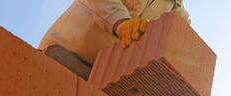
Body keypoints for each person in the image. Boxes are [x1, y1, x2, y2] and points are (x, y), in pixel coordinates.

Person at [39, 0, 191, 80]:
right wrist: (120, 23)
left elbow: (185, 37)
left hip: (104, 77)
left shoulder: (176, 9)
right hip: (66, 53)